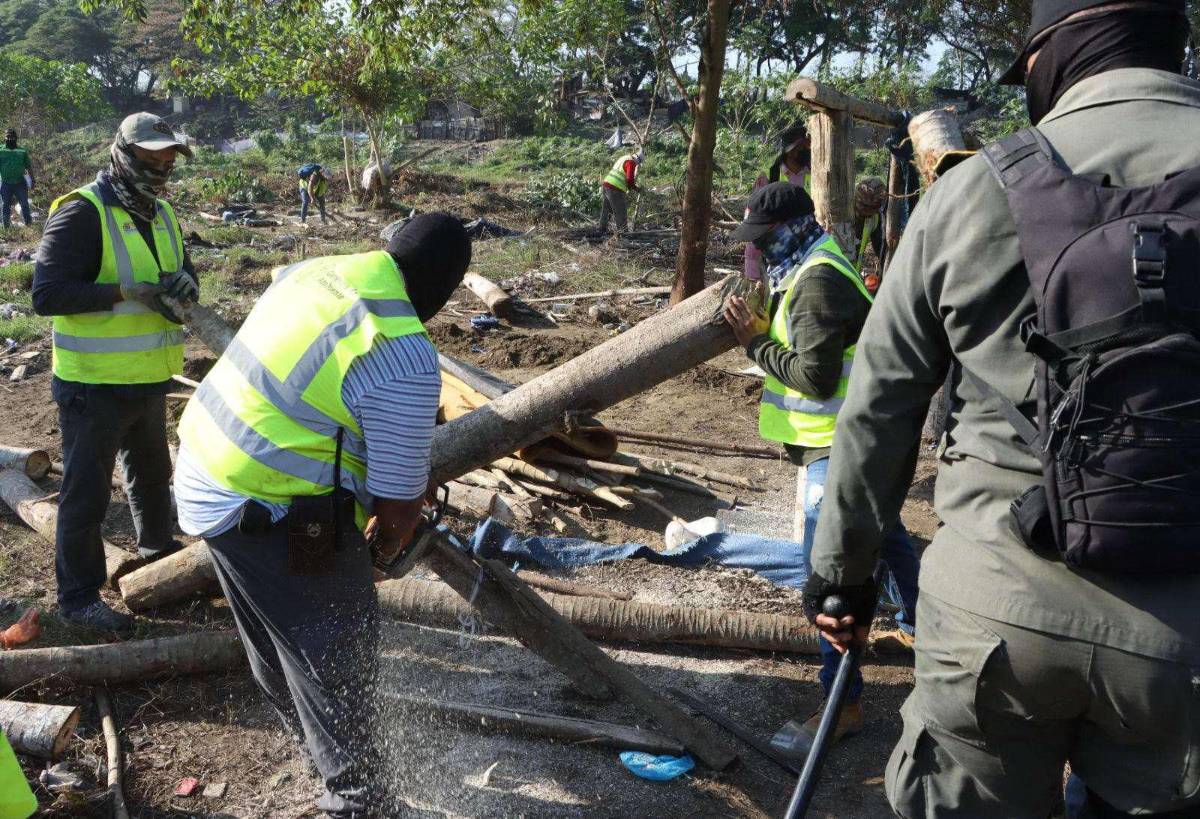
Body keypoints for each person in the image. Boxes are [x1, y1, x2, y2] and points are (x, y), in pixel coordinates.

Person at [803, 2, 1200, 816]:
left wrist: (843, 578)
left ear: (1053, 55)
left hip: (995, 615)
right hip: (1182, 637)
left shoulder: (976, 188)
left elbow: (879, 405)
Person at [172, 213, 471, 817]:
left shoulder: (315, 272)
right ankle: (356, 799)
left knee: (275, 634)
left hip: (206, 469)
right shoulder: (400, 350)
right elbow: (399, 499)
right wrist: (380, 555)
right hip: (264, 500)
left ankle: (315, 747)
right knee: (336, 648)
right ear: (442, 288)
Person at [723, 183, 919, 758]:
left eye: (762, 240)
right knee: (888, 538)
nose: (756, 251)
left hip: (838, 446)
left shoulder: (814, 283)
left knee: (831, 579)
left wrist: (755, 343)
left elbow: (815, 377)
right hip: (857, 438)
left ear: (789, 230)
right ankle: (927, 633)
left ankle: (841, 705)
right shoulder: (814, 262)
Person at [32, 112, 196, 634]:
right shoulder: (82, 212)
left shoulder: (161, 212)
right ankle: (79, 599)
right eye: (150, 159)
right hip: (94, 384)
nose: (161, 168)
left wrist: (186, 284)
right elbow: (46, 294)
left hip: (148, 377)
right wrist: (125, 292)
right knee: (87, 493)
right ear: (122, 155)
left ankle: (156, 558)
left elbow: (183, 270)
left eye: (168, 160)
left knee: (152, 475)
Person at [744, 123, 811, 281]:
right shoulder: (770, 176)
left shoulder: (817, 173)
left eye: (808, 146)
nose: (807, 151)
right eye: (802, 147)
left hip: (808, 246)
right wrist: (752, 276)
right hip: (777, 250)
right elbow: (754, 224)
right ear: (790, 150)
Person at [599, 149, 642, 235]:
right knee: (621, 211)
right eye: (638, 163)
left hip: (606, 184)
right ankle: (623, 234)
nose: (637, 165)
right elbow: (629, 179)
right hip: (615, 188)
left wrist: (629, 188)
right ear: (637, 160)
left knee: (606, 210)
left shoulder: (624, 157)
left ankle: (601, 230)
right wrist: (635, 188)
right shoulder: (631, 162)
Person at [852, 176, 886, 278]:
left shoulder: (875, 219)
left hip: (853, 276)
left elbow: (882, 251)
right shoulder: (841, 213)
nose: (864, 211)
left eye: (869, 208)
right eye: (862, 205)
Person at [0, 129, 33, 228]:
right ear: (5, 138)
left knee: (24, 204)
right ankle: (6, 227)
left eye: (12, 137)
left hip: (20, 183)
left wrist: (32, 180)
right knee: (5, 205)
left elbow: (28, 166)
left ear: (16, 138)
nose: (10, 139)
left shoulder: (22, 151)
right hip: (5, 183)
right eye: (8, 137)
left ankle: (29, 224)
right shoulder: (1, 150)